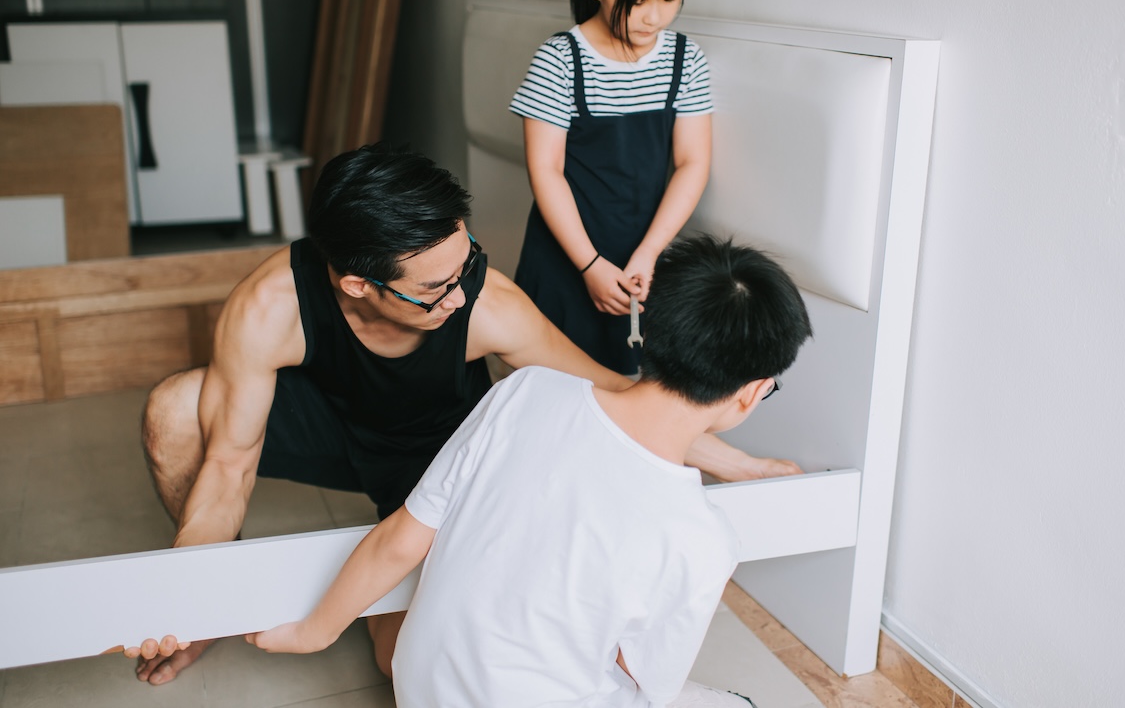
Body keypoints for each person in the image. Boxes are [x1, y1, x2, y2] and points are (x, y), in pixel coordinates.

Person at [126, 144, 799, 685]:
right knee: (176, 410)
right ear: (356, 283)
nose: (460, 292)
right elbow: (227, 466)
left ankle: (381, 575)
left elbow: (623, 396)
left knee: (401, 658)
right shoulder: (270, 306)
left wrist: (736, 461)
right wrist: (196, 597)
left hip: (441, 453)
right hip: (335, 427)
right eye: (435, 287)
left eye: (465, 261)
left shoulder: (487, 304)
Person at [247, 233, 813, 707]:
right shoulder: (703, 538)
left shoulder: (525, 390)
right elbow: (647, 678)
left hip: (422, 692)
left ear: (647, 332)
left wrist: (311, 631)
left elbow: (399, 538)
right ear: (752, 392)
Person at [510, 0, 711, 375]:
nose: (654, 16)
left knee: (629, 387)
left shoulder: (685, 59)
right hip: (566, 256)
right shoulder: (561, 59)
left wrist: (649, 251)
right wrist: (590, 265)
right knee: (550, 383)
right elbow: (546, 171)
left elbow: (692, 163)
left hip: (642, 256)